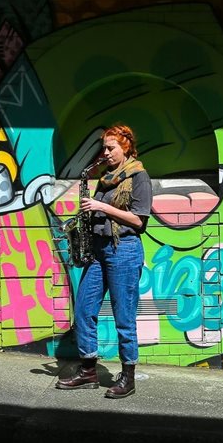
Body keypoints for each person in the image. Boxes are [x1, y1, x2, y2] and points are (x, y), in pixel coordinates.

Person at [56, 124, 153, 399]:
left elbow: (139, 220)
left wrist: (102, 207)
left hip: (124, 249)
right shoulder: (105, 177)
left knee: (124, 318)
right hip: (98, 251)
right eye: (105, 148)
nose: (106, 153)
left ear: (126, 147)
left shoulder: (139, 176)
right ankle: (88, 370)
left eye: (111, 147)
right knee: (85, 308)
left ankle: (128, 376)